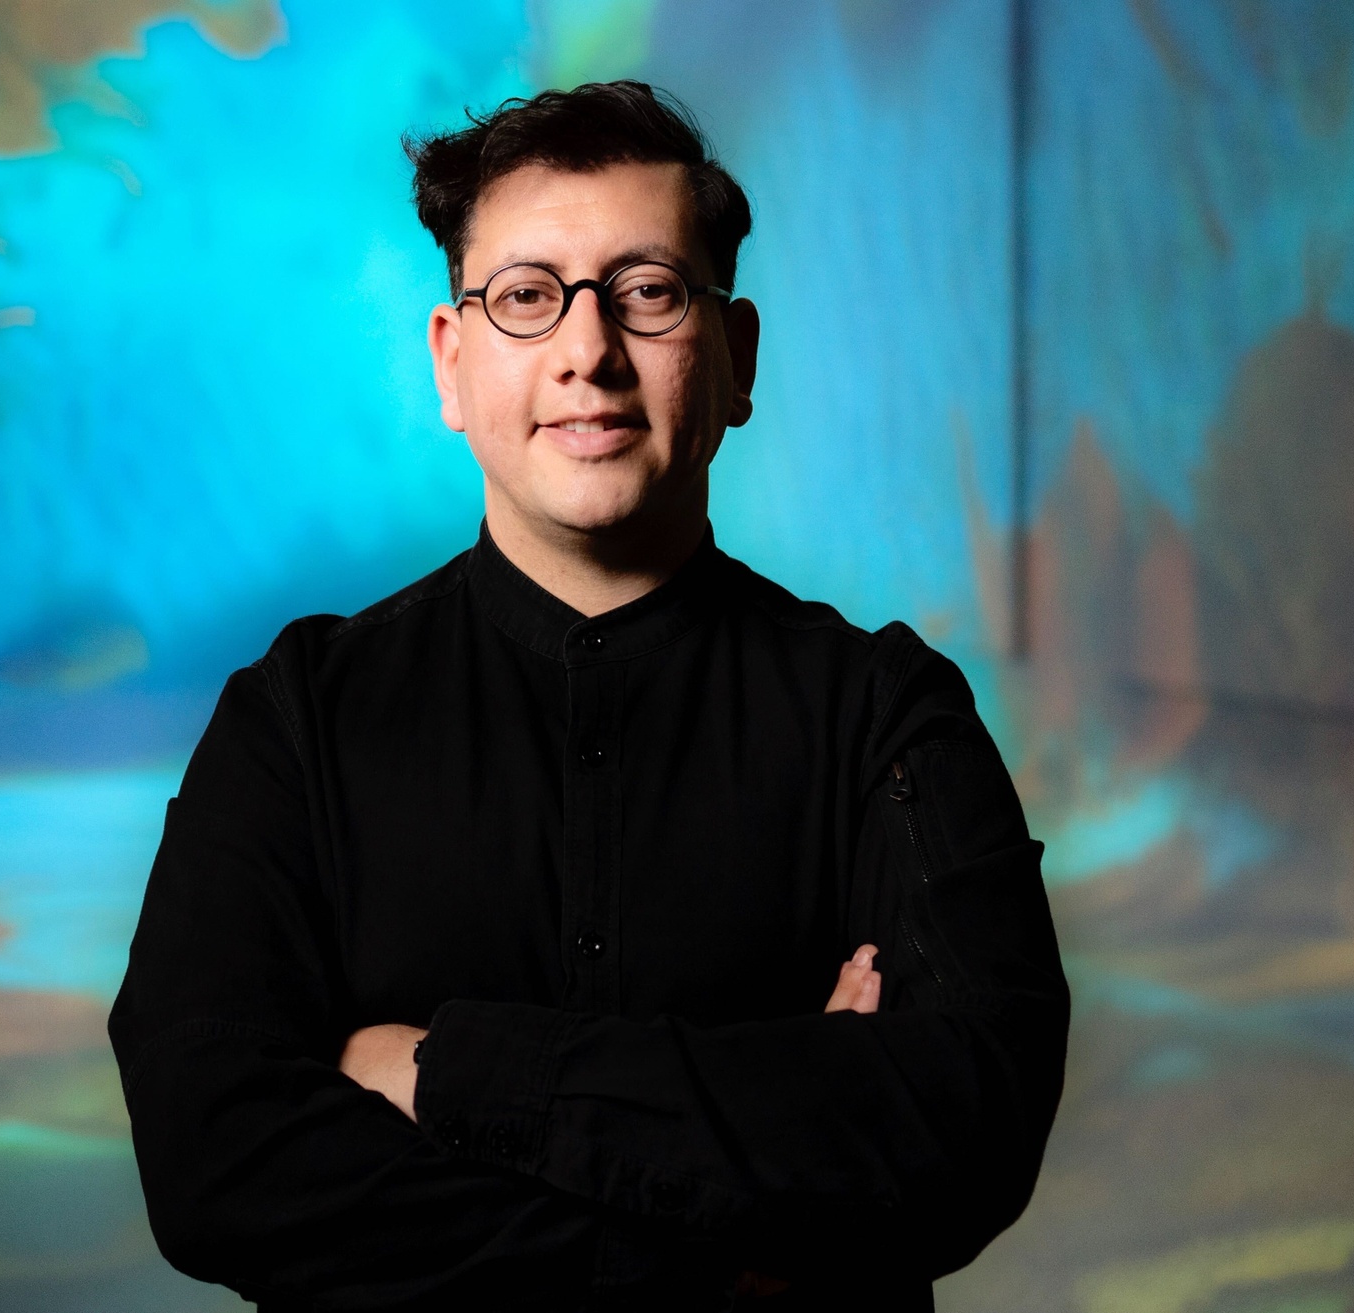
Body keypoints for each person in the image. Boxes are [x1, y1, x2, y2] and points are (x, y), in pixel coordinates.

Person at [108, 81, 1069, 1311]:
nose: (585, 350)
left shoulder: (883, 713)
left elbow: (960, 1132)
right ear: (451, 367)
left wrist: (448, 1070)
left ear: (736, 356)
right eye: (525, 297)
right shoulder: (297, 717)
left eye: (648, 290)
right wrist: (733, 1240)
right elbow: (215, 1163)